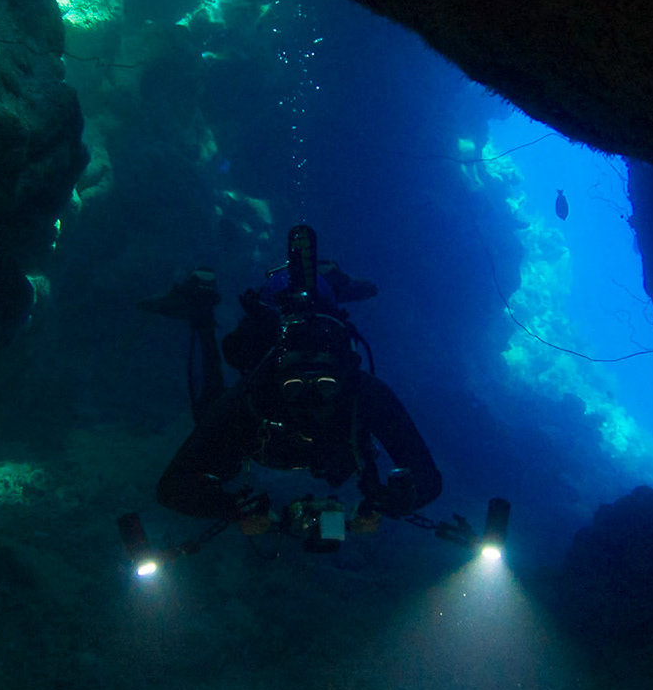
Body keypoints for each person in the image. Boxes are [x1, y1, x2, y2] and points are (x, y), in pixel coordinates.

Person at [136, 224, 442, 530]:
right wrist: (232, 508)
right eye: (296, 386)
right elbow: (171, 487)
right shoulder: (257, 394)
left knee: (212, 411)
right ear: (277, 377)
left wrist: (388, 500)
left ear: (343, 376)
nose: (310, 398)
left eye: (324, 385)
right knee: (209, 409)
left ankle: (325, 284)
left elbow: (429, 480)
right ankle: (203, 308)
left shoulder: (361, 392)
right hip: (273, 345)